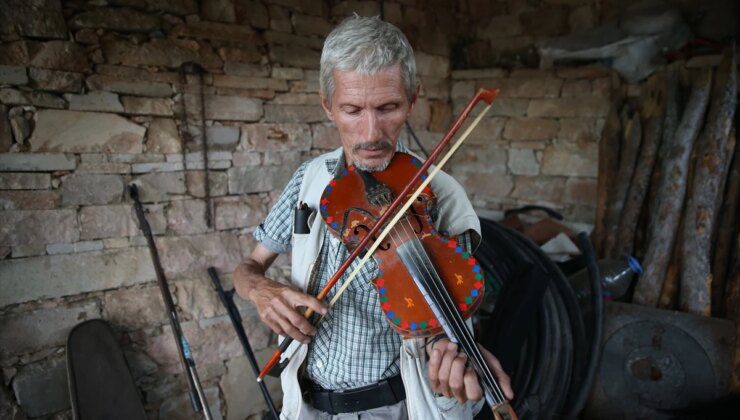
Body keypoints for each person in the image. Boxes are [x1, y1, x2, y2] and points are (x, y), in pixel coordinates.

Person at [233, 15, 513, 420]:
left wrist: (453, 353)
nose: (371, 132)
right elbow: (248, 267)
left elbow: (445, 318)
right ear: (327, 105)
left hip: (392, 408)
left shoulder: (442, 196)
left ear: (412, 101)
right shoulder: (309, 180)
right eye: (352, 110)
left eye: (388, 108)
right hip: (306, 405)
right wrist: (260, 290)